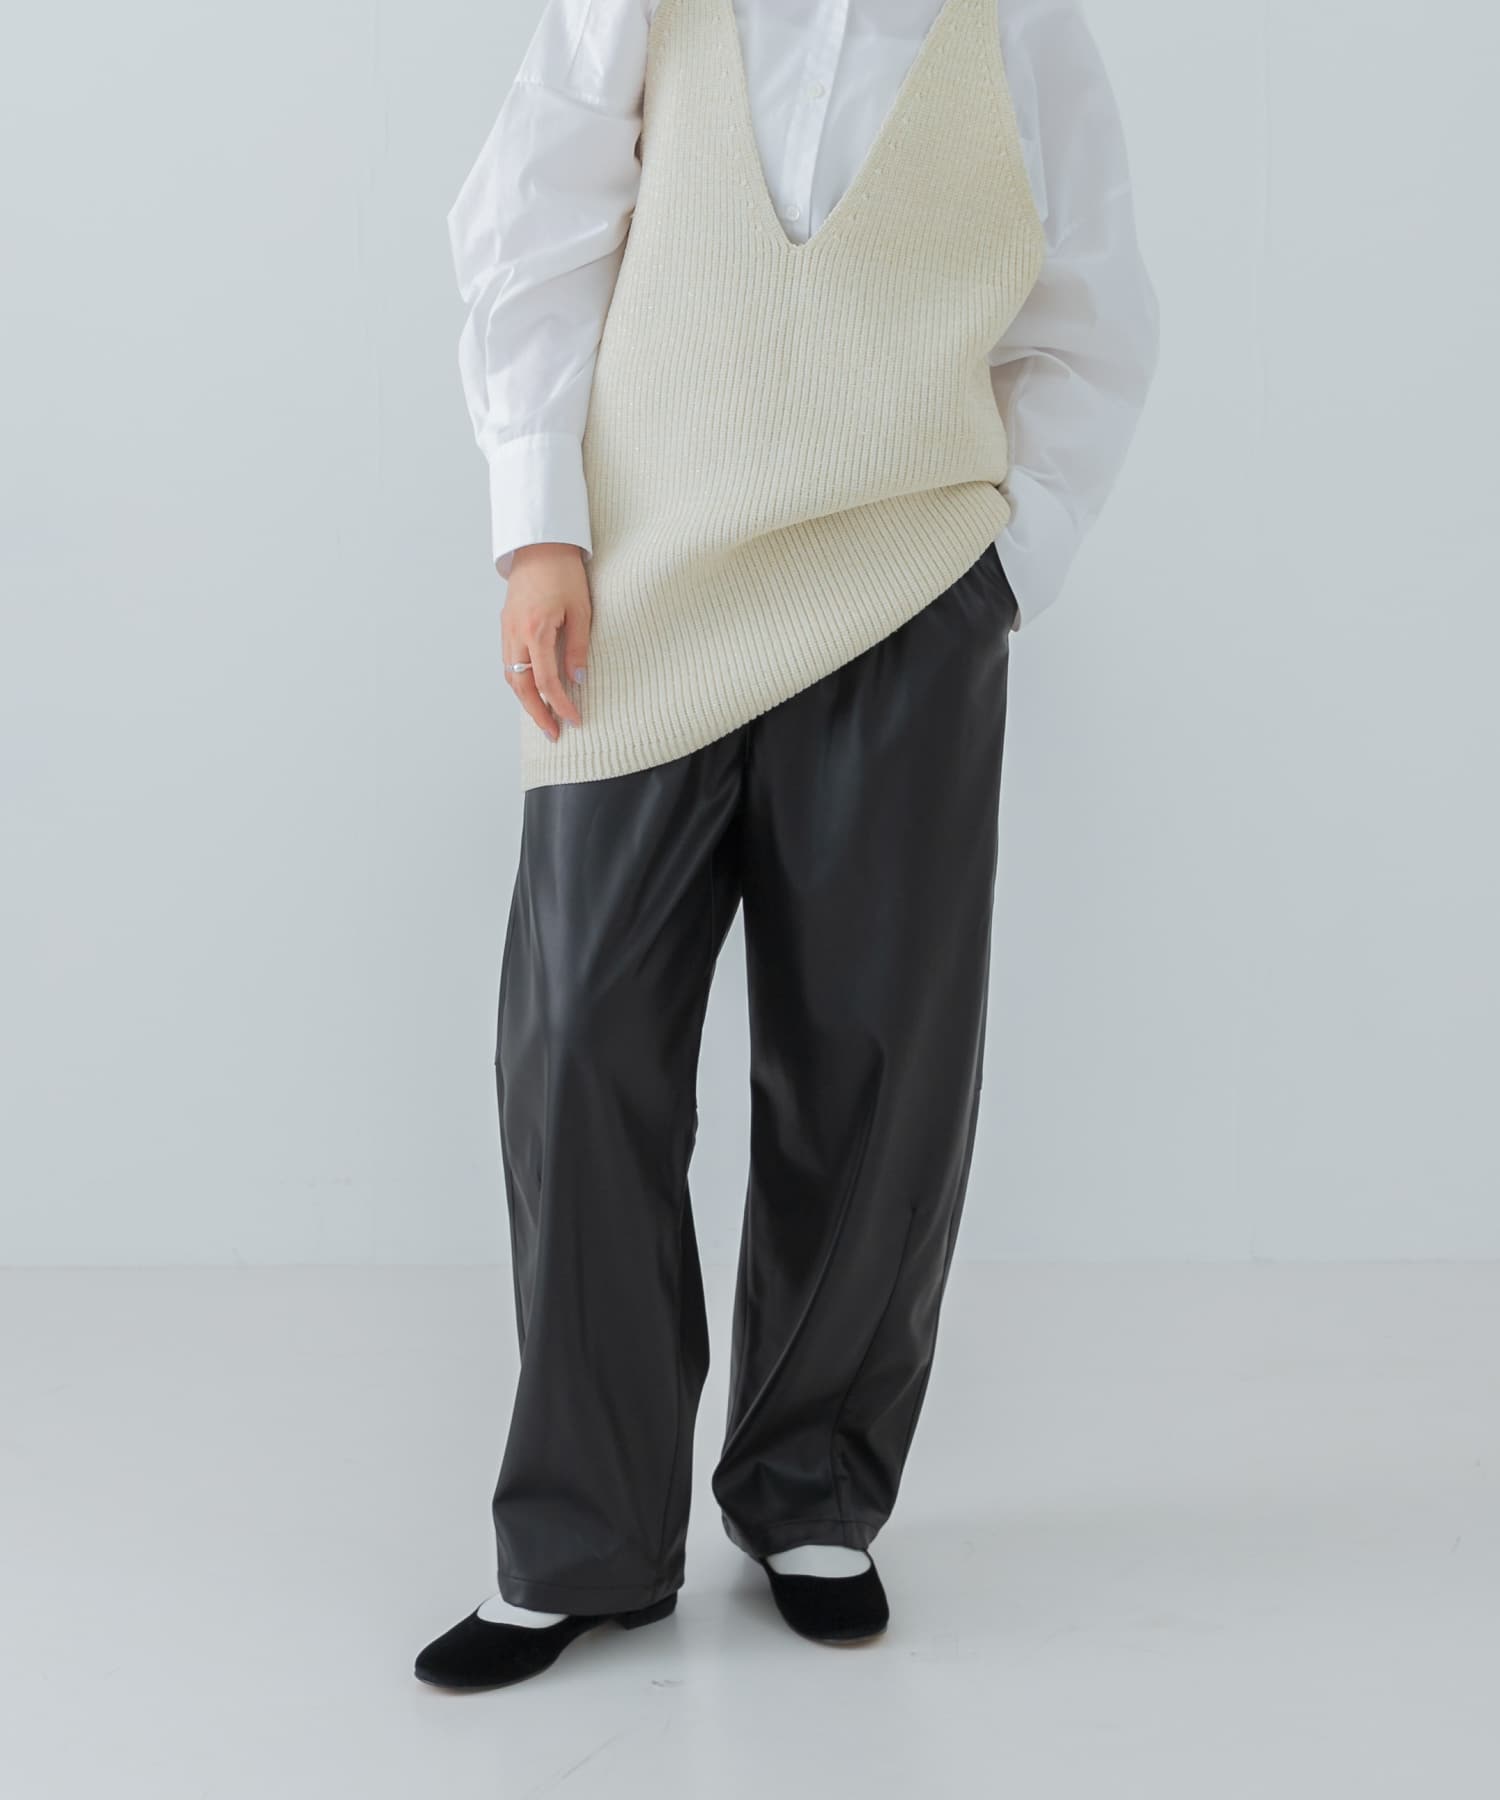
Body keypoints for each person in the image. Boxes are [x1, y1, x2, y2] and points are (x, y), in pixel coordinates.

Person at [416, 0, 1159, 1692]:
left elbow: (1093, 306)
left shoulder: (1016, 25)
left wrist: (1001, 573)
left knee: (874, 1055)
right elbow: (533, 210)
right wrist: (537, 526)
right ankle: (586, 1539)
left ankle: (814, 1488)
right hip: (644, 589)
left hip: (905, 590)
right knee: (578, 1040)